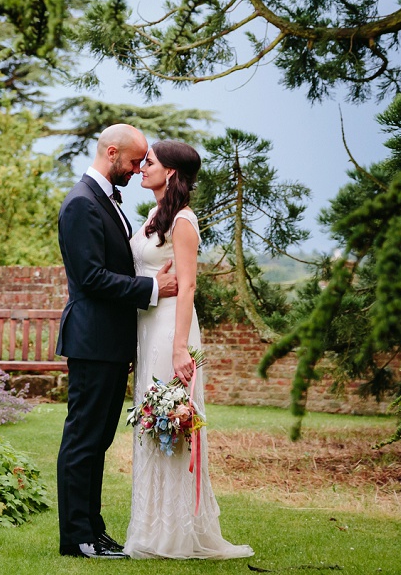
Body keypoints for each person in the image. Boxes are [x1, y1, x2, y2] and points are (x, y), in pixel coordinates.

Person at [123, 139, 252, 560]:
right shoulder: (154, 214)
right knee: (152, 423)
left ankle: (174, 534)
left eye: (150, 162)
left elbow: (189, 285)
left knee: (170, 426)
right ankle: (150, 527)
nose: (142, 167)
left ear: (172, 172)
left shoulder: (182, 220)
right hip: (147, 325)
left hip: (169, 332)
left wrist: (181, 349)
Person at [55, 124, 177, 559]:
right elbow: (90, 278)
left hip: (109, 342)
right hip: (92, 340)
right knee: (83, 440)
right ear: (111, 153)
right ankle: (77, 538)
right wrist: (152, 290)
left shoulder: (105, 201)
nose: (138, 168)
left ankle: (94, 529)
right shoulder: (81, 204)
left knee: (99, 441)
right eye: (134, 160)